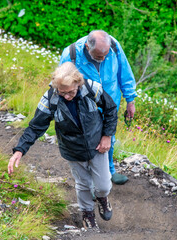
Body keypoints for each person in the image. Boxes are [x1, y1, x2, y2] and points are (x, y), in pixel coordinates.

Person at [8, 62, 117, 230]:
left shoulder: (92, 88)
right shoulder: (50, 98)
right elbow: (36, 126)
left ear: (78, 83)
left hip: (97, 145)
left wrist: (107, 136)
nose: (66, 96)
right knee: (83, 184)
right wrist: (19, 150)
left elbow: (110, 109)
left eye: (71, 92)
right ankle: (87, 213)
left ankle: (102, 198)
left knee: (103, 185)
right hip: (71, 148)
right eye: (62, 92)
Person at [60, 30, 137, 185]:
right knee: (89, 141)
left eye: (105, 56)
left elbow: (125, 73)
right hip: (86, 107)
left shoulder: (114, 46)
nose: (102, 60)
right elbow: (62, 83)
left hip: (111, 103)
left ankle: (110, 171)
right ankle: (92, 181)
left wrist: (130, 100)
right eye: (98, 57)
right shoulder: (71, 54)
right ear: (88, 46)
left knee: (109, 137)